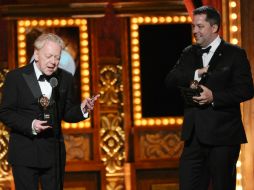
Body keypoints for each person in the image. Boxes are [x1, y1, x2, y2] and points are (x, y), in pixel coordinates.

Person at [165, 6, 253, 190]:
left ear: (214, 28)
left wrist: (214, 97)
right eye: (193, 26)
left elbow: (246, 90)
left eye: (200, 26)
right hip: (194, 138)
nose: (195, 31)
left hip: (223, 137)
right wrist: (195, 74)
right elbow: (171, 79)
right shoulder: (189, 52)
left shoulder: (234, 53)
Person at [0, 33, 100, 190]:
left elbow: (67, 113)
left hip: (54, 155)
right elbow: (5, 112)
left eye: (57, 57)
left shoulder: (65, 78)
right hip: (25, 154)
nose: (54, 62)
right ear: (36, 54)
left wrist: (82, 109)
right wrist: (31, 124)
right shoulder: (16, 77)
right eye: (49, 56)